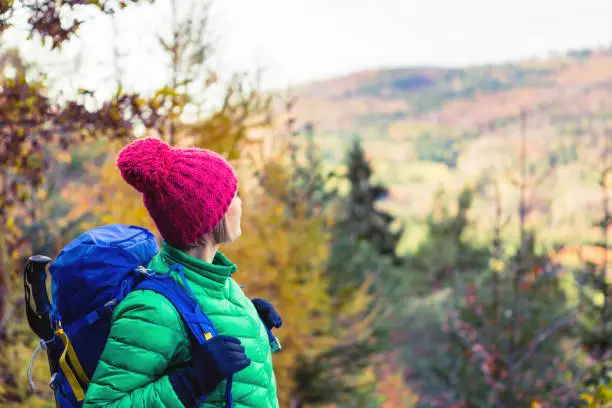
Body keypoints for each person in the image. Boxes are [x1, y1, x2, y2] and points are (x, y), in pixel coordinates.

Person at [82, 137, 282, 408]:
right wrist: (191, 382)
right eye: (233, 195)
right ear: (210, 216)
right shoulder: (152, 309)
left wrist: (250, 324)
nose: (240, 203)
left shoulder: (219, 282)